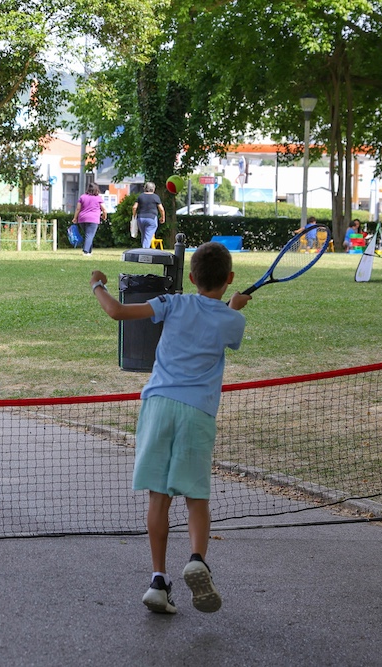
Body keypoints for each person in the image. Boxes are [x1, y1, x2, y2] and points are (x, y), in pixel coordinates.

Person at [88, 242, 251, 615]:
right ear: (229, 279)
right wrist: (233, 307)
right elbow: (216, 323)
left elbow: (116, 311)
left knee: (158, 497)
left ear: (191, 278)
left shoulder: (172, 303)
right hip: (197, 413)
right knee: (196, 497)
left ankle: (158, 580)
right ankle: (197, 558)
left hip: (158, 405)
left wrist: (98, 284)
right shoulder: (233, 320)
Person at [71, 182, 107, 256]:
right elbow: (104, 209)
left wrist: (75, 218)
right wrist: (104, 216)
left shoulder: (82, 197)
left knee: (88, 235)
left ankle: (89, 251)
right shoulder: (98, 198)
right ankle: (86, 251)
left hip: (82, 219)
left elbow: (78, 209)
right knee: (90, 235)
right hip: (93, 219)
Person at [132, 182, 166, 249]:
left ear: (145, 188)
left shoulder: (140, 196)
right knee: (148, 236)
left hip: (141, 218)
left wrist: (134, 216)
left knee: (144, 236)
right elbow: (161, 209)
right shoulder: (155, 197)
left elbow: (134, 207)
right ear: (153, 189)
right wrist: (163, 217)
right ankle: (145, 251)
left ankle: (144, 249)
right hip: (151, 218)